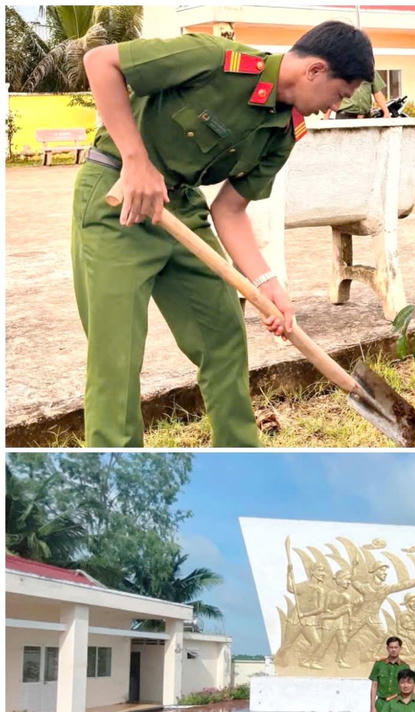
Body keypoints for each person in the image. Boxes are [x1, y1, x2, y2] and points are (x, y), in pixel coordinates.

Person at [74, 21, 373, 447]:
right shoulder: (214, 60)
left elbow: (230, 210)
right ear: (315, 71)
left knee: (223, 333)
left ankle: (241, 453)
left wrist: (268, 285)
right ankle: (115, 469)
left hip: (180, 210)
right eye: (339, 96)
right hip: (117, 198)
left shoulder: (285, 133)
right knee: (116, 355)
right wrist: (136, 160)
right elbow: (100, 62)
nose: (332, 108)